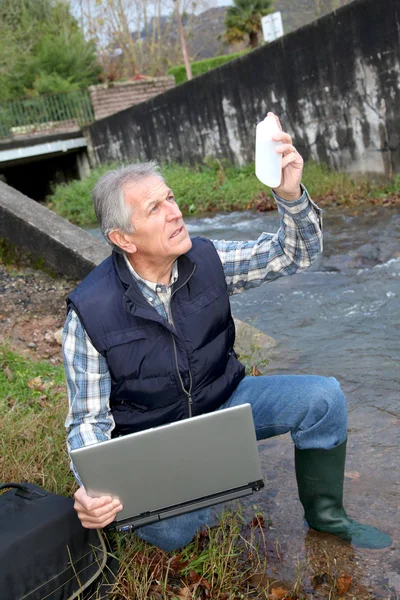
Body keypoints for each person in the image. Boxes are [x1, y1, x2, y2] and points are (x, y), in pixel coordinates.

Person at [63, 113, 391, 551]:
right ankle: (204, 489)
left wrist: (289, 194)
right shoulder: (89, 311)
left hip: (226, 404)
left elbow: (293, 255)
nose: (176, 213)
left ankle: (328, 519)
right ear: (123, 238)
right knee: (177, 531)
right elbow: (87, 422)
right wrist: (94, 485)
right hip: (157, 439)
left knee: (323, 398)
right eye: (155, 209)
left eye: (171, 198)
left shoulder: (206, 258)